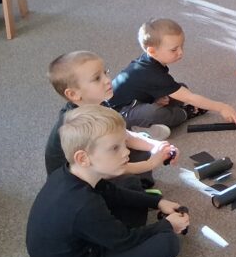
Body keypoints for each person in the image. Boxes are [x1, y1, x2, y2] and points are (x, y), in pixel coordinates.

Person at [27, 104, 189, 257]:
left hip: (70, 249)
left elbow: (113, 193)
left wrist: (158, 202)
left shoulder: (70, 173)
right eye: (114, 148)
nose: (126, 152)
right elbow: (124, 241)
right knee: (167, 243)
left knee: (130, 184)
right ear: (83, 158)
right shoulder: (83, 204)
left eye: (123, 144)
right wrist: (167, 225)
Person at [44, 51, 178, 229]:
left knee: (141, 142)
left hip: (100, 163)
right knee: (129, 201)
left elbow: (125, 136)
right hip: (83, 185)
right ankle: (135, 195)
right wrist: (151, 163)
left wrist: (157, 145)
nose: (108, 80)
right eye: (97, 78)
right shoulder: (82, 125)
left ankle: (140, 187)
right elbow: (108, 168)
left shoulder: (95, 104)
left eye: (105, 72)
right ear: (74, 94)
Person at [110, 18, 236, 128]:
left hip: (136, 100)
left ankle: (150, 120)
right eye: (174, 50)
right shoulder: (152, 74)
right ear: (152, 51)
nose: (180, 52)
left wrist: (156, 98)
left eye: (181, 46)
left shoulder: (149, 61)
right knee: (156, 113)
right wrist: (221, 107)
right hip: (119, 115)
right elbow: (189, 98)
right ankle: (185, 113)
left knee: (181, 88)